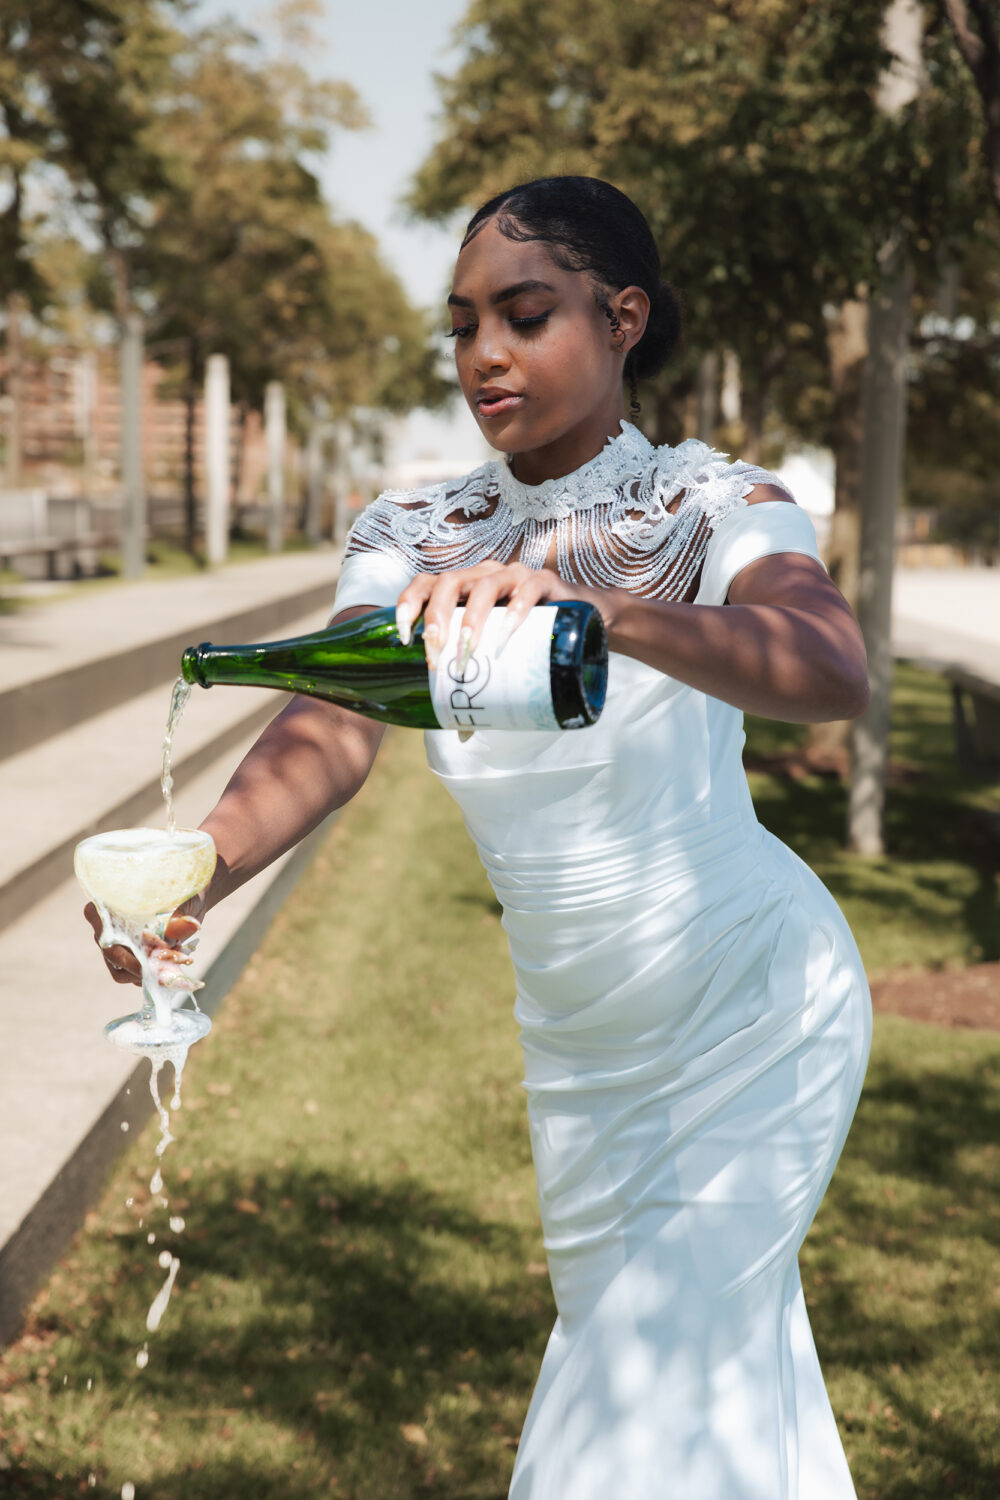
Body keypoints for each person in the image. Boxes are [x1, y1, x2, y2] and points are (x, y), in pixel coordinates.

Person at [89, 176, 873, 1499]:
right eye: (461, 327)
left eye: (525, 314)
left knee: (638, 1396)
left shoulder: (711, 503)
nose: (484, 356)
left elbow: (826, 661)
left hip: (756, 1013)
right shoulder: (413, 532)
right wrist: (203, 865)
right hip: (581, 1056)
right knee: (719, 1388)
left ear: (623, 318)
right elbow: (329, 727)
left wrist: (601, 606)